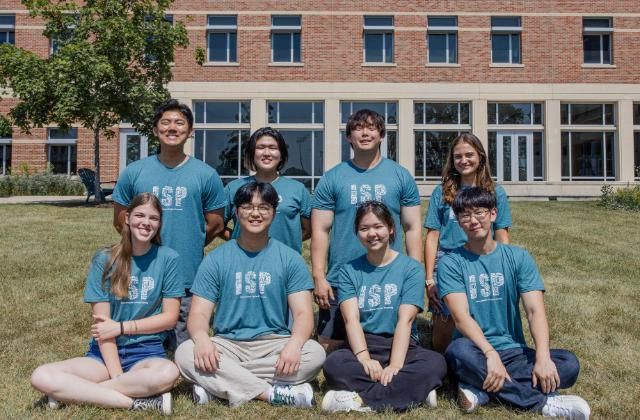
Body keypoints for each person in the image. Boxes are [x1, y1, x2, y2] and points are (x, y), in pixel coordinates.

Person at [438, 187, 590, 418]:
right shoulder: (451, 262)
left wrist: (542, 357)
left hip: (514, 350)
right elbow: (461, 318)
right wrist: (490, 354)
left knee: (568, 364)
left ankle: (482, 389)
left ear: (493, 214)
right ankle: (542, 403)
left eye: (479, 212)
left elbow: (534, 311)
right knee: (457, 352)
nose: (473, 220)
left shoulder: (518, 257)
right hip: (475, 349)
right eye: (465, 215)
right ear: (458, 221)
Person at [175, 182, 325, 408]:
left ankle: (219, 386)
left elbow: (303, 313)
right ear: (236, 212)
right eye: (247, 207)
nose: (255, 213)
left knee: (314, 354)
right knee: (185, 352)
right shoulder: (217, 259)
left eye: (264, 207)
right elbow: (198, 314)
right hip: (228, 344)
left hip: (275, 343)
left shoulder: (290, 259)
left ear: (274, 213)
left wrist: (294, 345)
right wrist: (202, 339)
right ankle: (271, 392)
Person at [31, 193, 184, 415]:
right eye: (140, 215)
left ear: (160, 223)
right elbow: (103, 329)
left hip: (146, 352)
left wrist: (122, 327)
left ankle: (74, 394)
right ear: (127, 218)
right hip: (103, 355)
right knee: (41, 376)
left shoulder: (169, 258)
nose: (146, 223)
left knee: (168, 372)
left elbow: (169, 318)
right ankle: (137, 402)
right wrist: (118, 378)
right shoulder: (105, 259)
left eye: (154, 218)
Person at [112, 99, 226, 347]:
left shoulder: (206, 174)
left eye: (179, 123)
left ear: (190, 131)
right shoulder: (135, 172)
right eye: (165, 122)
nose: (172, 128)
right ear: (155, 130)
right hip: (142, 273)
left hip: (187, 275)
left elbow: (216, 224)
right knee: (137, 343)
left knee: (187, 345)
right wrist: (145, 246)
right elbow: (121, 218)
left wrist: (190, 240)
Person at [312, 109, 422, 352]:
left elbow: (412, 227)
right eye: (358, 128)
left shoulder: (400, 176)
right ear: (348, 137)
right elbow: (320, 229)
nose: (365, 133)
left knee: (396, 341)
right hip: (343, 274)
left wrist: (416, 272)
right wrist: (319, 276)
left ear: (381, 135)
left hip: (389, 275)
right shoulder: (333, 178)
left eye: (371, 127)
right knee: (328, 347)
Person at [321, 201, 447, 412]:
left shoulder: (411, 269)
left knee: (436, 364)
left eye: (378, 226)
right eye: (364, 228)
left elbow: (405, 320)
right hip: (364, 343)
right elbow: (351, 320)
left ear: (390, 228)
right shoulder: (349, 271)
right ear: (357, 232)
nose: (372, 233)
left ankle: (359, 401)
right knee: (333, 364)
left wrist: (396, 365)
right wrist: (364, 358)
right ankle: (414, 392)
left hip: (402, 343)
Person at [424, 133, 512, 353]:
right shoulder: (442, 192)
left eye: (469, 155)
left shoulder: (495, 192)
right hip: (448, 260)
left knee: (481, 312)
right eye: (458, 156)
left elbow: (501, 232)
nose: (464, 160)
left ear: (480, 157)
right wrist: (429, 279)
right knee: (444, 332)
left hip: (482, 258)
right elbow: (432, 236)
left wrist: (505, 266)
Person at [222, 127, 311, 253]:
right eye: (260, 147)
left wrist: (289, 242)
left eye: (273, 148)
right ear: (252, 153)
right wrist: (238, 239)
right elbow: (218, 226)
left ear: (281, 155)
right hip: (245, 262)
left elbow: (308, 229)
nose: (267, 153)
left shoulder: (298, 189)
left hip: (285, 264)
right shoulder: (234, 188)